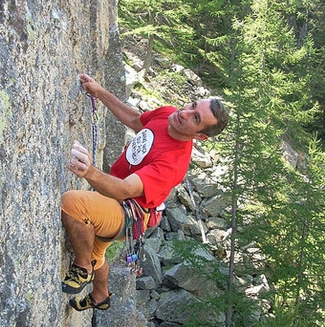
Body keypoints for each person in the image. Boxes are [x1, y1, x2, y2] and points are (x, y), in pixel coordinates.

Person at [61, 73, 229, 311]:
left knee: (74, 204)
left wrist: (89, 172)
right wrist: (99, 92)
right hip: (115, 194)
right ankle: (100, 296)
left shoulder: (173, 163)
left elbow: (125, 190)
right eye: (192, 106)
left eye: (195, 118)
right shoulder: (168, 115)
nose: (185, 113)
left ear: (200, 136)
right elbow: (136, 120)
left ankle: (82, 267)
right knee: (96, 251)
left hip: (129, 209)